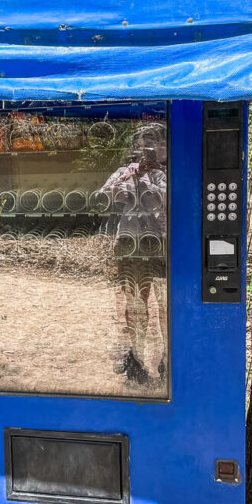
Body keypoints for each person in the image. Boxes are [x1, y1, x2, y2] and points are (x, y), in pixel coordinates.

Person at [98, 123, 168, 387]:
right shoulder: (125, 172)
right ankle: (136, 360)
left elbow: (172, 201)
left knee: (164, 307)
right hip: (130, 245)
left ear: (163, 146)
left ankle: (166, 362)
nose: (147, 148)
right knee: (135, 304)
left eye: (153, 142)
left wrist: (152, 179)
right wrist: (129, 177)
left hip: (161, 245)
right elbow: (103, 197)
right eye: (142, 142)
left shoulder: (168, 174)